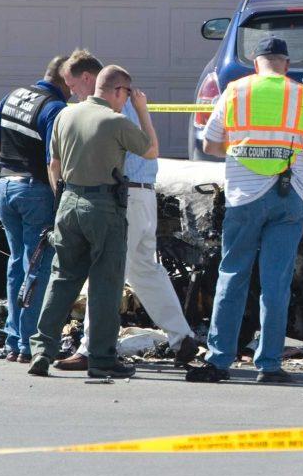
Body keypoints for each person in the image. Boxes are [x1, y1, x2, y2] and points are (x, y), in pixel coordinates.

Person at [185, 36, 303, 384]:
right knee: (275, 284)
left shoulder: (234, 91)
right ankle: (268, 365)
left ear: (256, 63)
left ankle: (219, 361)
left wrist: (243, 149)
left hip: (243, 198)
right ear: (286, 63)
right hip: (289, 197)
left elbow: (209, 143)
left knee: (232, 275)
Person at [48, 49, 199, 372]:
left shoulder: (107, 111)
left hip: (122, 196)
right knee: (144, 269)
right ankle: (182, 335)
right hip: (143, 196)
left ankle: (91, 349)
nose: (71, 91)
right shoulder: (125, 105)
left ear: (89, 79)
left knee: (105, 272)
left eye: (72, 84)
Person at [27, 65, 160, 379]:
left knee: (62, 280)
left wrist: (63, 200)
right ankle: (101, 359)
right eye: (127, 94)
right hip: (103, 206)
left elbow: (54, 164)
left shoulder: (65, 115)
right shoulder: (116, 121)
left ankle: (41, 352)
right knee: (106, 283)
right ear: (117, 91)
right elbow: (151, 150)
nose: (127, 100)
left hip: (68, 201)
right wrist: (142, 111)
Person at [0, 56, 70, 363]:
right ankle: (29, 343)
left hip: (5, 187)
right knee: (37, 267)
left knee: (16, 263)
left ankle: (14, 339)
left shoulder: (14, 95)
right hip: (35, 191)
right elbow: (53, 162)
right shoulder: (55, 108)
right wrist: (60, 199)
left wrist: (1, 167)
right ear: (64, 80)